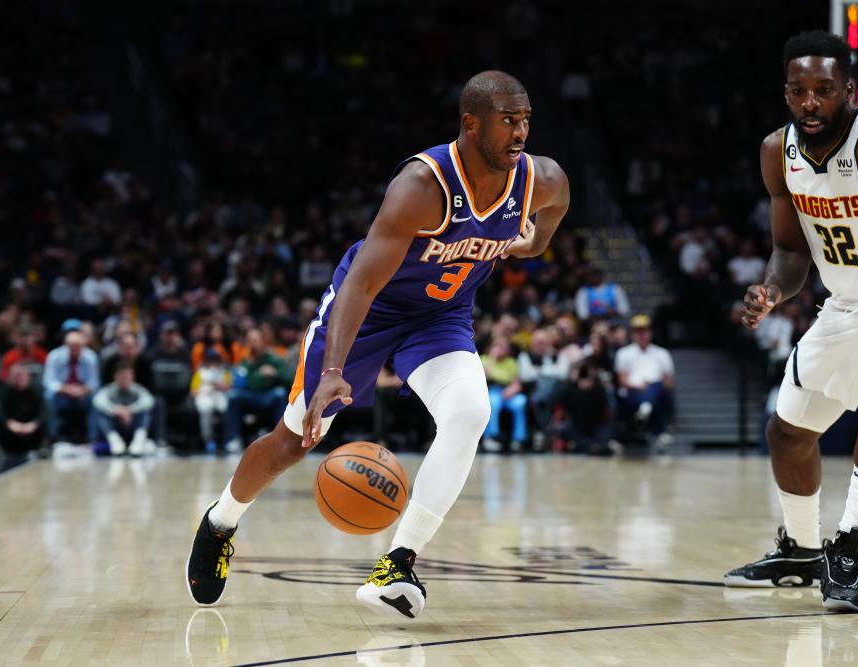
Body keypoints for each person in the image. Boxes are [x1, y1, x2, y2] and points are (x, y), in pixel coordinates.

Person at [185, 70, 570, 618]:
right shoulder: (422, 186)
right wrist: (334, 371)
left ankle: (397, 564)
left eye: (526, 120)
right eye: (508, 121)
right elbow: (362, 283)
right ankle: (221, 519)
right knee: (295, 441)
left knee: (469, 413)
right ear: (471, 123)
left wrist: (518, 241)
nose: (521, 132)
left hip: (440, 316)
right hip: (367, 311)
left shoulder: (544, 180)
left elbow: (541, 231)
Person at [725, 32, 858, 612]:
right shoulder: (776, 152)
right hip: (846, 303)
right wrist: (772, 290)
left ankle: (850, 545)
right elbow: (792, 253)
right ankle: (803, 548)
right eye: (798, 91)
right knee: (787, 432)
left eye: (823, 90)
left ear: (848, 91)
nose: (809, 102)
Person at [224, 328, 293, 452]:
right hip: (249, 397)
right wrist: (260, 377)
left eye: (255, 340)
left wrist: (275, 374)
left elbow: (290, 380)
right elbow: (242, 383)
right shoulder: (244, 363)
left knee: (280, 393)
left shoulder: (274, 360)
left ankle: (281, 439)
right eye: (249, 340)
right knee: (233, 395)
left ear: (262, 342)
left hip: (268, 396)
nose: (253, 343)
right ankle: (233, 439)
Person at [614, 314, 674, 445]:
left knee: (655, 387)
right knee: (649, 394)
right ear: (633, 334)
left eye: (644, 330)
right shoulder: (624, 353)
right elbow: (622, 380)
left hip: (657, 389)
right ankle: (655, 422)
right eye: (638, 331)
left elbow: (669, 382)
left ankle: (645, 408)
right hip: (633, 391)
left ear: (650, 332)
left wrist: (654, 387)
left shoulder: (662, 353)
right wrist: (639, 387)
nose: (642, 334)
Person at [43, 329, 100, 443]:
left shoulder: (90, 356)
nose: (75, 349)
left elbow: (94, 383)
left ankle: (92, 438)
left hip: (83, 395)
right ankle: (54, 437)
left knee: (97, 399)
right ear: (65, 345)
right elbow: (48, 382)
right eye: (72, 346)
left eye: (78, 346)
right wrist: (65, 389)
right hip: (61, 395)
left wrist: (82, 390)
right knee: (48, 397)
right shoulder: (54, 356)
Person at [93, 362, 155, 456]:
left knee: (145, 412)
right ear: (115, 377)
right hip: (115, 427)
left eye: (126, 376)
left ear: (132, 377)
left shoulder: (137, 389)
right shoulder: (109, 389)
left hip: (133, 426)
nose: (124, 379)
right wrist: (115, 410)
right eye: (121, 377)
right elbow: (97, 400)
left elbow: (149, 401)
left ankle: (138, 443)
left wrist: (130, 410)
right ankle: (116, 443)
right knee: (102, 414)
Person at [481, 336, 528, 452]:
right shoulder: (484, 359)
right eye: (498, 346)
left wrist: (512, 389)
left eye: (505, 347)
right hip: (491, 390)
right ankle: (492, 437)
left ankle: (518, 439)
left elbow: (517, 383)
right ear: (491, 347)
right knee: (493, 402)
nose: (502, 349)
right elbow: (486, 375)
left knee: (520, 402)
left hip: (507, 392)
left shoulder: (511, 362)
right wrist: (493, 357)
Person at [0, 363, 47, 456]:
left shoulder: (35, 390)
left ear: (28, 376)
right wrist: (9, 423)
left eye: (21, 376)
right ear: (10, 378)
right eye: (15, 377)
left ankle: (43, 448)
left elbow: (45, 410)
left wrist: (34, 424)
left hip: (31, 428)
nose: (19, 379)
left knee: (44, 422)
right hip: (11, 429)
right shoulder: (4, 391)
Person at [190, 348, 232, 451]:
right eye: (211, 359)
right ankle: (208, 440)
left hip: (220, 396)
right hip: (204, 396)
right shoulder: (200, 373)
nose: (214, 362)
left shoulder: (225, 372)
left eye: (216, 359)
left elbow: (230, 387)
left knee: (228, 408)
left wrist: (220, 386)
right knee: (205, 409)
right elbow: (193, 391)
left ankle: (229, 439)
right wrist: (204, 390)